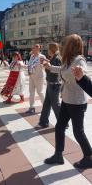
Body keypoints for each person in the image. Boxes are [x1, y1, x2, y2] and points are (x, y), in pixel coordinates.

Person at [43, 34, 92, 169]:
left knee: (78, 132)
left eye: (66, 44)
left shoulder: (78, 60)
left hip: (77, 103)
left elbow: (83, 70)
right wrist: (50, 67)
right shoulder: (69, 60)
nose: (63, 46)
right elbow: (62, 69)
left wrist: (81, 74)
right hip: (67, 100)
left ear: (72, 46)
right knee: (59, 127)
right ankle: (58, 155)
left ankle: (89, 157)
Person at [38, 43, 62, 128]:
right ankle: (43, 122)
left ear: (52, 49)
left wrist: (47, 65)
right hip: (50, 83)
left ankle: (63, 123)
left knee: (55, 105)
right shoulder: (54, 57)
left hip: (54, 84)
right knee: (47, 104)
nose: (47, 50)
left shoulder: (57, 58)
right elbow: (51, 66)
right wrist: (46, 63)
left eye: (48, 49)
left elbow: (58, 70)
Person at [25, 44, 46, 114]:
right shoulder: (32, 56)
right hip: (32, 76)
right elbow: (30, 65)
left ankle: (46, 107)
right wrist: (28, 70)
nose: (32, 49)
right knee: (31, 92)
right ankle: (31, 107)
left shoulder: (41, 56)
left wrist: (43, 63)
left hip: (39, 77)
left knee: (40, 92)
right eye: (32, 48)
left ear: (38, 49)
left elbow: (44, 65)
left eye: (34, 48)